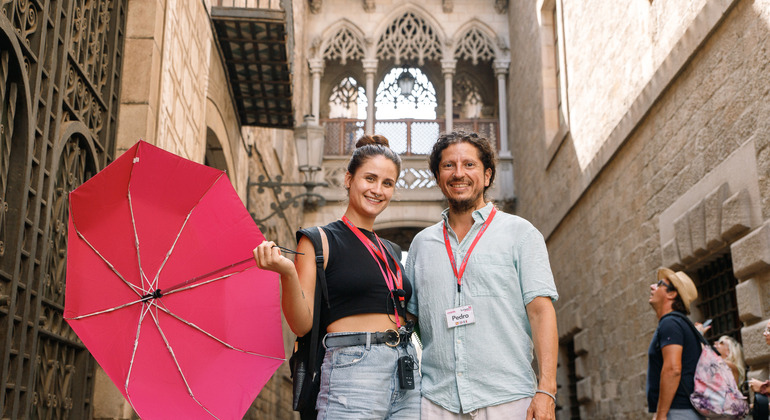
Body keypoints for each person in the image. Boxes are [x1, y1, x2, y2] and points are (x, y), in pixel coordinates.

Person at [253, 135, 421, 419]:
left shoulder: (391, 250)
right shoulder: (320, 240)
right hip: (354, 368)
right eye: (369, 178)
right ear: (348, 179)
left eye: (387, 183)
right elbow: (301, 324)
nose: (377, 189)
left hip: (405, 369)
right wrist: (287, 273)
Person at [405, 131, 559, 419]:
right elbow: (409, 324)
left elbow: (541, 312)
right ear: (438, 178)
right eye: (448, 165)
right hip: (436, 403)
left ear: (487, 176)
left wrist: (546, 389)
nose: (458, 173)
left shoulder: (521, 234)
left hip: (509, 399)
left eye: (469, 165)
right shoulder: (421, 245)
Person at [647, 267, 704, 420]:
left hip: (678, 411)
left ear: (672, 294)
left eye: (659, 284)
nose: (652, 287)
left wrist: (661, 414)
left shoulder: (670, 323)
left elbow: (673, 369)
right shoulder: (679, 323)